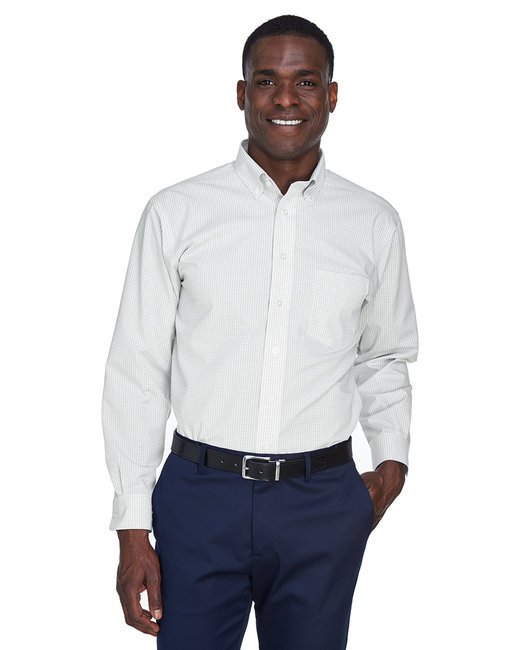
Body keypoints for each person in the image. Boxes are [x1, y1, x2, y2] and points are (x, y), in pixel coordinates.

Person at [101, 13, 419, 650]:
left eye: (306, 82)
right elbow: (137, 367)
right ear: (242, 93)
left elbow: (383, 355)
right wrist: (132, 526)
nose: (285, 99)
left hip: (322, 500)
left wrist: (392, 462)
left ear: (332, 95)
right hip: (199, 496)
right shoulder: (176, 212)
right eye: (267, 81)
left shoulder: (373, 222)